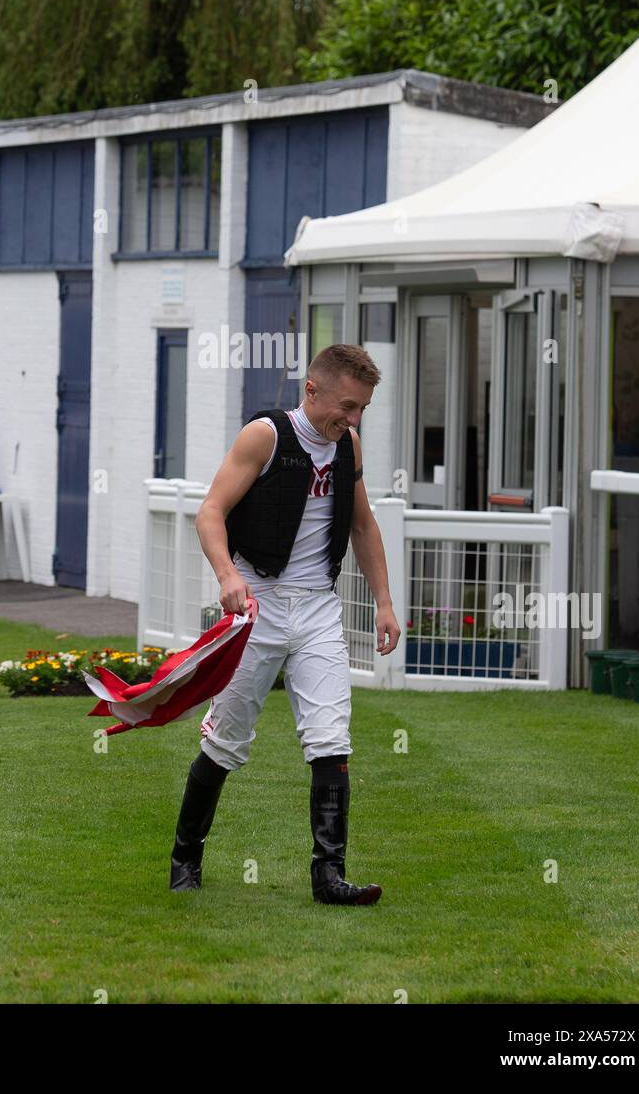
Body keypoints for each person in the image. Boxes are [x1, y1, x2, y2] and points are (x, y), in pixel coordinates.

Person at [170, 343, 401, 905]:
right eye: (346, 405)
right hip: (257, 604)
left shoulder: (348, 447)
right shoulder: (266, 436)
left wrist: (386, 603)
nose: (352, 419)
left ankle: (329, 877)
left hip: (318, 607)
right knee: (226, 741)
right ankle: (185, 858)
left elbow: (363, 527)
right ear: (311, 390)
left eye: (362, 409)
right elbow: (210, 513)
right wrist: (228, 577)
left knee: (331, 738)